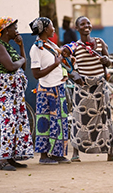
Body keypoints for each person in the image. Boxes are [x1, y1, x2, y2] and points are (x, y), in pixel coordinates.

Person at [62, 16, 113, 162]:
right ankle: (75, 153)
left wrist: (106, 60)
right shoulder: (74, 46)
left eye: (88, 23)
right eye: (82, 24)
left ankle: (110, 153)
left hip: (100, 87)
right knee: (79, 120)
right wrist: (72, 73)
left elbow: (109, 62)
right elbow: (62, 59)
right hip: (82, 88)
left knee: (105, 119)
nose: (86, 26)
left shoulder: (100, 43)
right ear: (77, 28)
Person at [0, 16, 34, 171]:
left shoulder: (8, 46)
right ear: (6, 30)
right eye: (14, 28)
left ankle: (12, 157)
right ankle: (3, 160)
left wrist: (21, 47)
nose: (17, 31)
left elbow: (24, 65)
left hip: (15, 90)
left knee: (18, 122)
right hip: (5, 89)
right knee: (8, 122)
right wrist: (21, 61)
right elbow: (10, 66)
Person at [29, 17, 70, 165]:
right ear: (45, 29)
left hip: (58, 87)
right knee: (45, 123)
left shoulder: (50, 44)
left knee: (59, 122)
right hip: (46, 91)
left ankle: (57, 153)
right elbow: (36, 74)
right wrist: (56, 64)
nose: (53, 28)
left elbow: (60, 57)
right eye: (52, 26)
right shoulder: (36, 49)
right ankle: (44, 156)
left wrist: (63, 56)